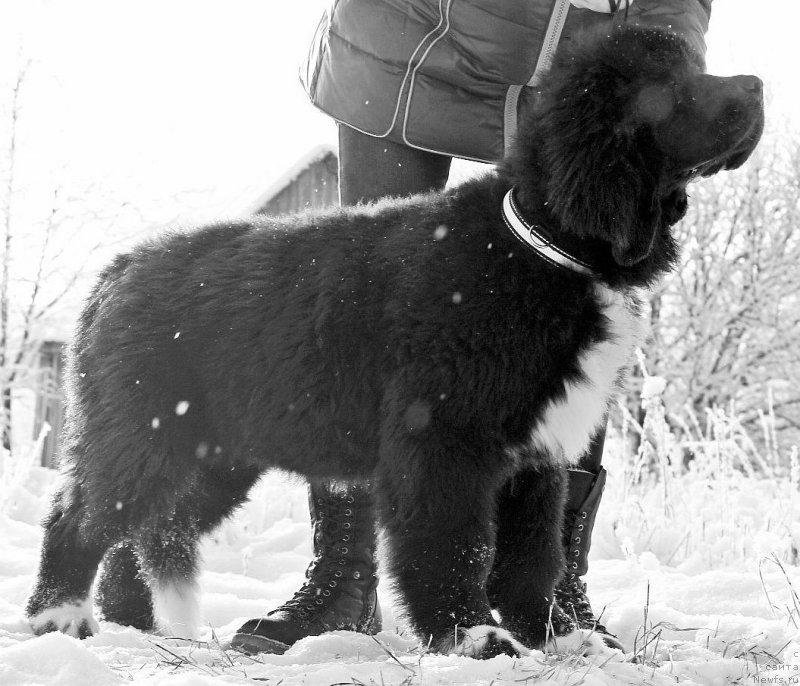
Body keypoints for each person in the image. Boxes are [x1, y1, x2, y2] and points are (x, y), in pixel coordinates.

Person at [231, 0, 712, 655]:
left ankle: (546, 594)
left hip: (580, 58)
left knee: (581, 295)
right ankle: (342, 580)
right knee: (358, 319)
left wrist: (668, 64)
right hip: (408, 36)